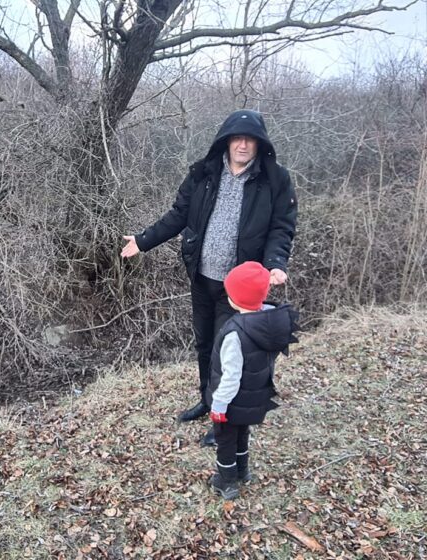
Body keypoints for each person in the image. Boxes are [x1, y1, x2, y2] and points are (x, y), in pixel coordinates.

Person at [121, 110, 297, 445]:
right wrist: (143, 241)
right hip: (202, 277)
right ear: (226, 141)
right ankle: (207, 399)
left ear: (260, 144)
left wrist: (275, 262)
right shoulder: (204, 172)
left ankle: (225, 421)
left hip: (240, 289)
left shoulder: (275, 180)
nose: (243, 145)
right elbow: (179, 215)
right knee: (204, 345)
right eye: (237, 138)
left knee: (228, 354)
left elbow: (281, 227)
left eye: (250, 140)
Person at [206, 261, 299, 499]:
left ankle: (226, 481)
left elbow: (231, 376)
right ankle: (243, 471)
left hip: (232, 401)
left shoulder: (235, 333)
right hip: (254, 396)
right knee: (242, 433)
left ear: (235, 300)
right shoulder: (267, 323)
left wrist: (219, 404)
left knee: (226, 440)